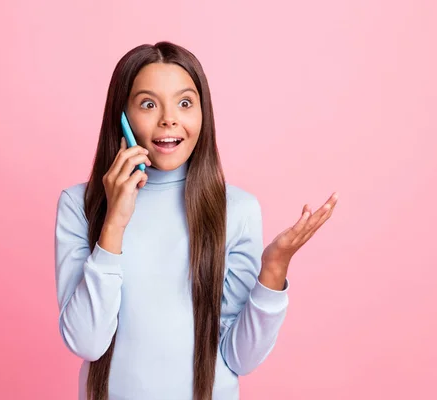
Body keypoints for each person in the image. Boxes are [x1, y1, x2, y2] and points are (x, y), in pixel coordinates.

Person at [54, 41, 338, 400]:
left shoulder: (237, 209)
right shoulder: (79, 205)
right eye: (148, 104)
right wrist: (113, 223)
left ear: (204, 115)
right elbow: (87, 342)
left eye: (185, 103)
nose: (169, 118)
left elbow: (240, 358)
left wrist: (274, 269)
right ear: (121, 117)